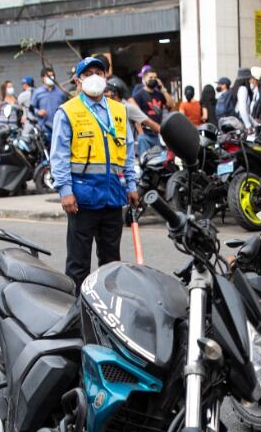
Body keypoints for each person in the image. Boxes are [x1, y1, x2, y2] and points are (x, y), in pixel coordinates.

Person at [50, 55, 140, 289]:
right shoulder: (68, 111)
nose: (94, 78)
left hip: (113, 196)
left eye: (98, 73)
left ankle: (108, 305)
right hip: (82, 198)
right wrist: (65, 191)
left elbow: (128, 151)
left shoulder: (119, 111)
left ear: (105, 77)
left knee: (111, 263)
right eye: (88, 74)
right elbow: (59, 155)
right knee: (78, 263)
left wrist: (131, 185)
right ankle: (76, 308)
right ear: (78, 81)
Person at [132, 66, 172, 155]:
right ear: (144, 79)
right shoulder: (138, 95)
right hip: (146, 135)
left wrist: (162, 89)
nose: (153, 80)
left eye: (155, 78)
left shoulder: (159, 94)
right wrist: (141, 134)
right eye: (150, 78)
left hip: (159, 134)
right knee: (146, 159)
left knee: (161, 159)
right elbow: (135, 117)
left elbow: (171, 104)